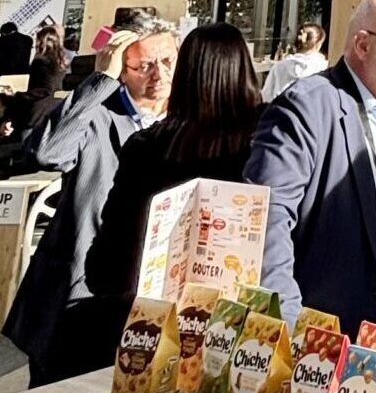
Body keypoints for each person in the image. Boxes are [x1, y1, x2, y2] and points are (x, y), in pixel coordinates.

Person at [2, 16, 178, 386]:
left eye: (167, 61)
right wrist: (100, 80)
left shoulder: (181, 122)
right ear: (122, 69)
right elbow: (48, 152)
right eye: (145, 65)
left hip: (147, 297)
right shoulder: (97, 112)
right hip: (78, 298)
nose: (159, 75)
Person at [245, 0, 376, 332]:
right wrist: (286, 326)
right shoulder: (306, 107)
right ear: (363, 45)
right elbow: (266, 221)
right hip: (321, 335)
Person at [86, 23, 264, 305]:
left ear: (183, 73)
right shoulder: (266, 142)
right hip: (241, 307)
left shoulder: (145, 146)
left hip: (150, 308)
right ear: (246, 70)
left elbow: (106, 260)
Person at [13, 24, 69, 134]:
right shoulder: (60, 63)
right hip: (52, 109)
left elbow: (44, 90)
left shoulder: (41, 62)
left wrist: (17, 95)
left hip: (36, 112)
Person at [262, 22, 327, 101]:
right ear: (319, 43)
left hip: (280, 107)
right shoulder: (323, 69)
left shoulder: (279, 67)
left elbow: (266, 97)